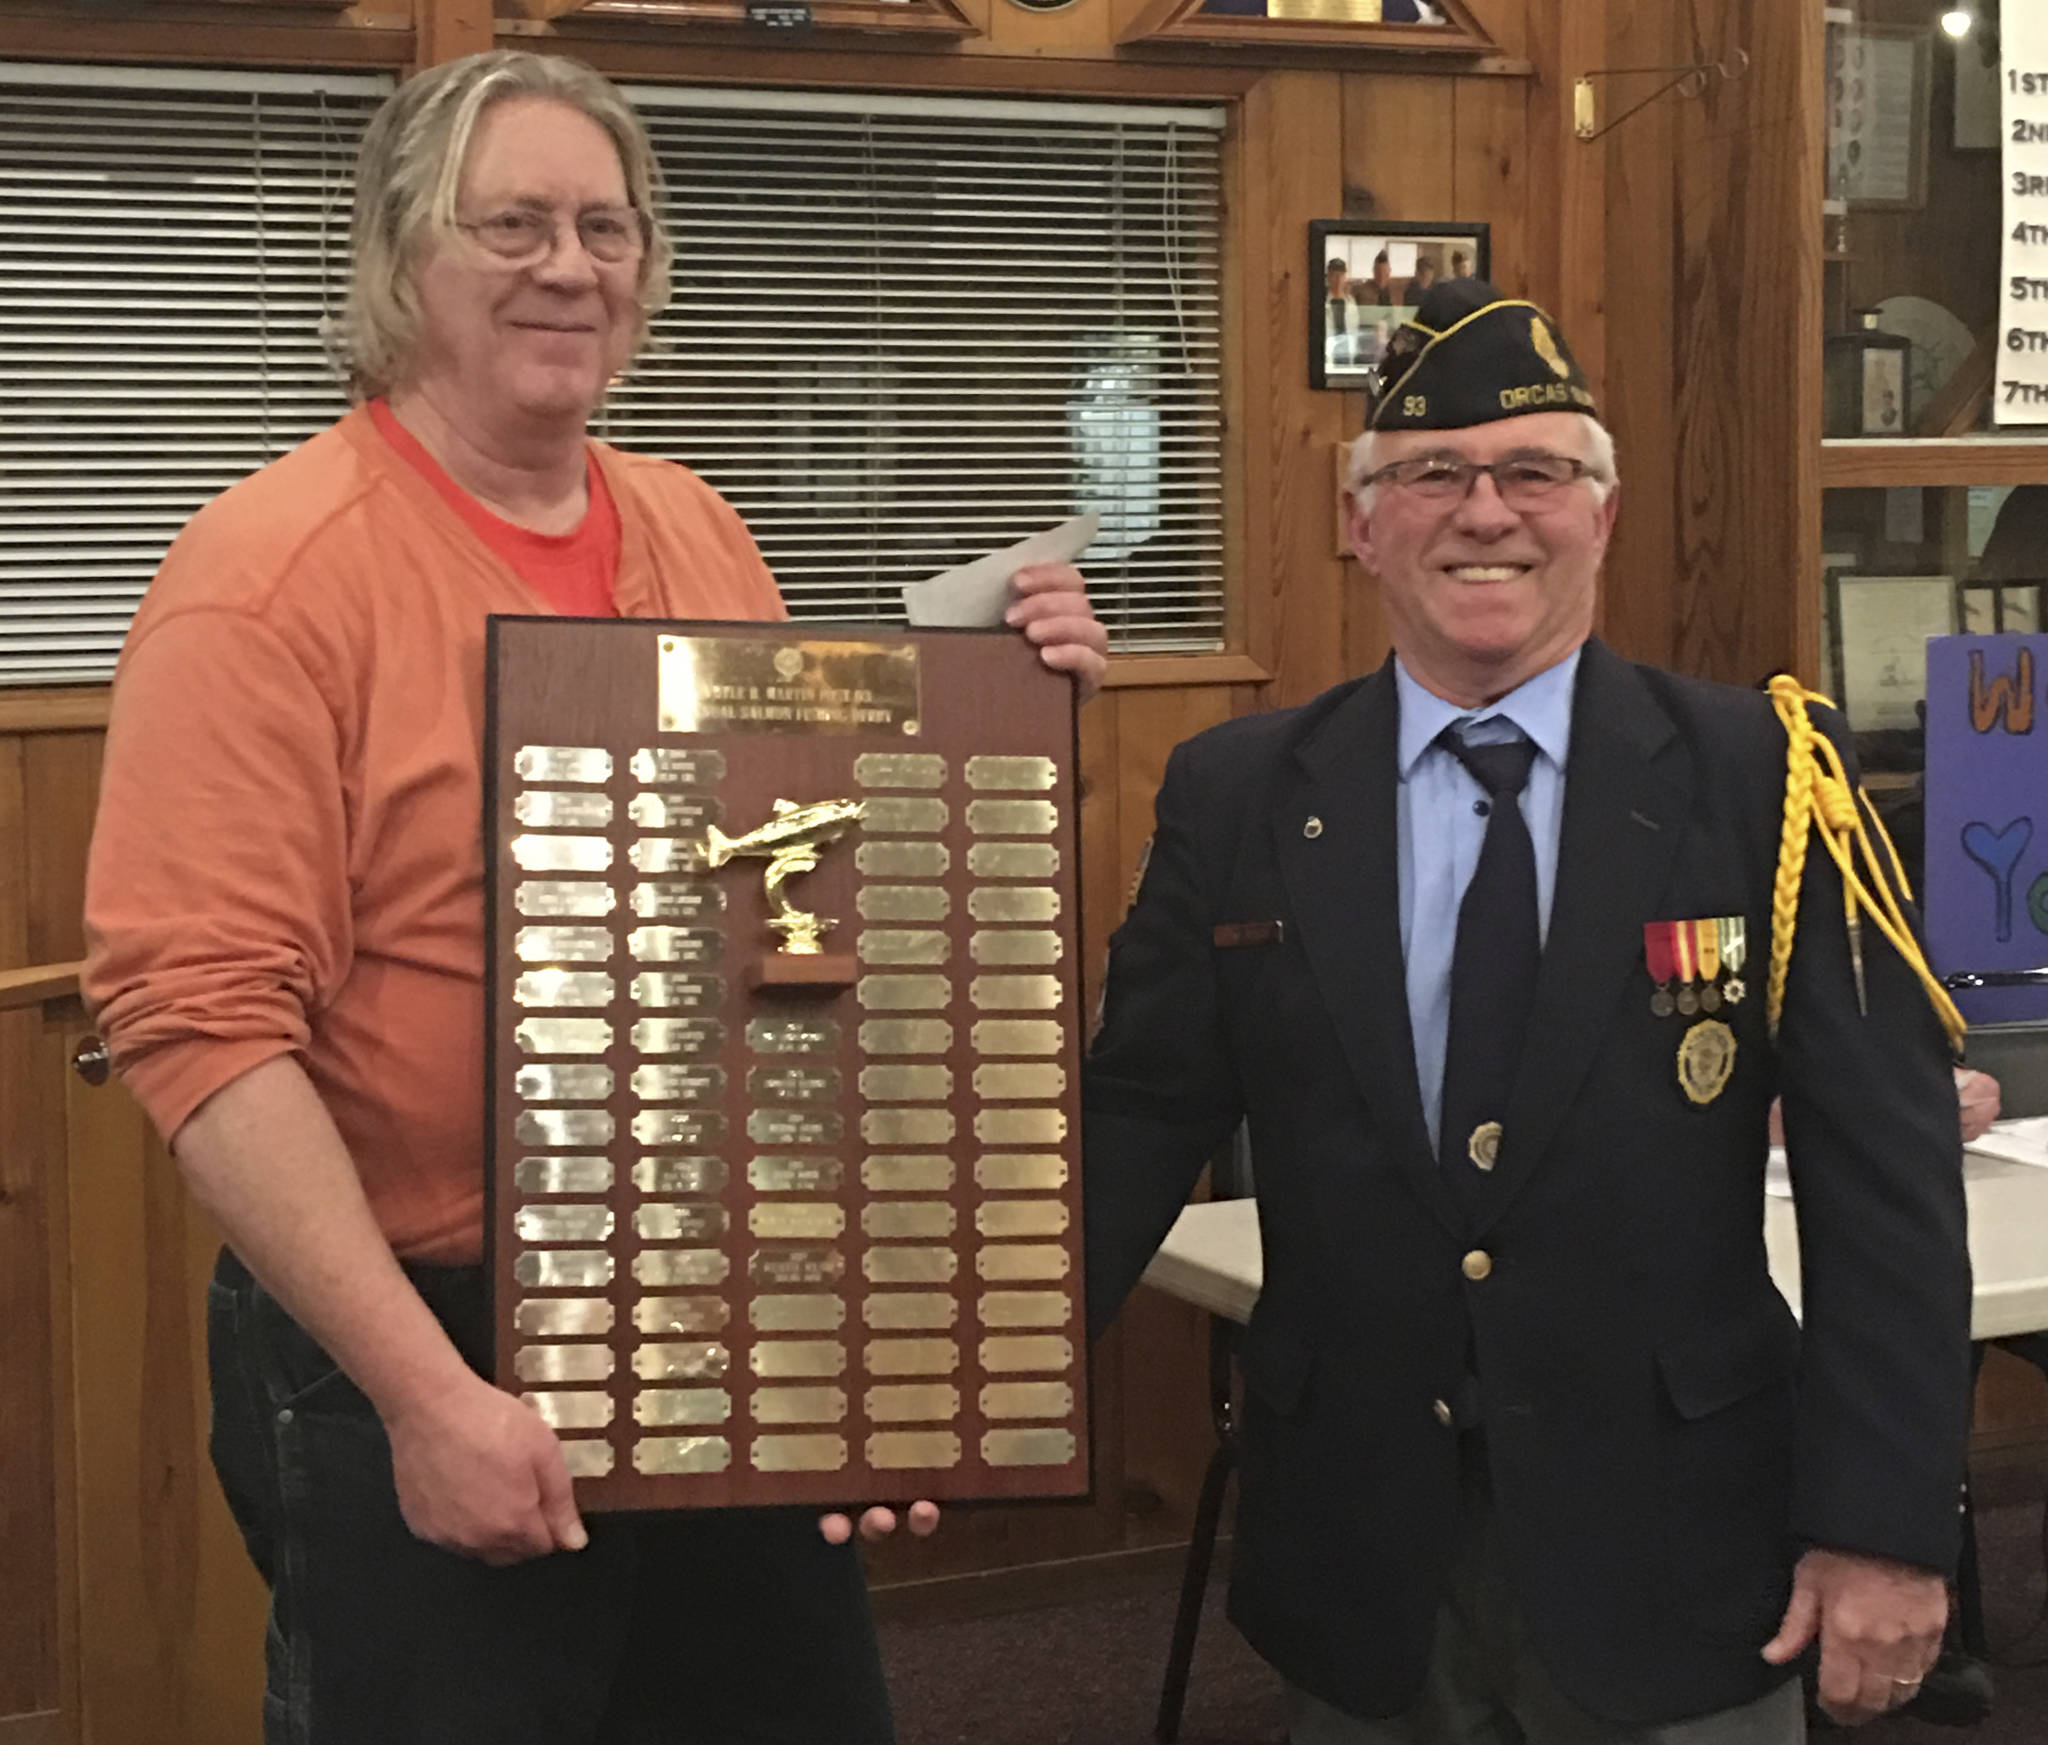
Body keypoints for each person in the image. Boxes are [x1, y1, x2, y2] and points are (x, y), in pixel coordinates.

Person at [81, 49, 1106, 1745]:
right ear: (406, 257)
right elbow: (196, 1029)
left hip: (710, 1297)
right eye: (514, 224)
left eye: (605, 225)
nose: (571, 265)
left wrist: (855, 1372)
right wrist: (424, 1393)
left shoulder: (698, 529)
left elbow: (796, 913)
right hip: (427, 1328)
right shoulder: (263, 577)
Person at [1083, 278, 1971, 1743]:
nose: (1483, 510)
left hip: (1684, 1549)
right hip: (1363, 1554)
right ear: (1363, 524)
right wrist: (948, 1403)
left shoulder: (1766, 777)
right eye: (1430, 473)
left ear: (1603, 515)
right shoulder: (1240, 794)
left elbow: (1885, 1179)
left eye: (1535, 471)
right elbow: (1131, 1123)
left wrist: (1886, 1521)